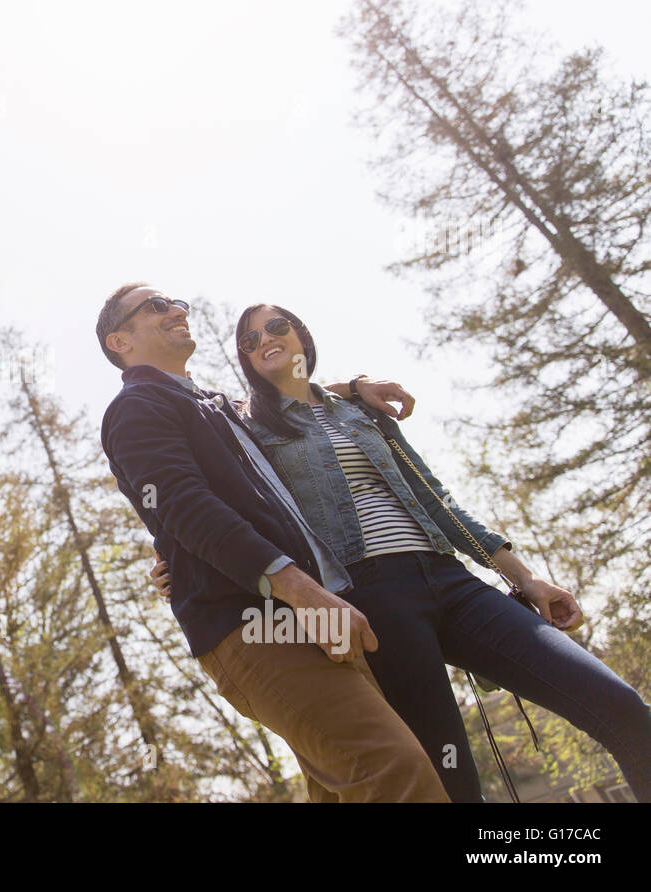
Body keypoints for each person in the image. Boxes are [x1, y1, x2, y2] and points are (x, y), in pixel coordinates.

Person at [154, 301, 651, 802]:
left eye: (275, 327)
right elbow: (212, 496)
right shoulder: (247, 429)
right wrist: (180, 561)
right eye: (250, 340)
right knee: (450, 784)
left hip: (452, 582)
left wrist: (526, 579)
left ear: (301, 334)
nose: (264, 340)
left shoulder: (361, 410)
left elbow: (439, 501)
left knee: (620, 705)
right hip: (369, 601)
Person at [98, 282, 449, 801]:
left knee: (344, 787)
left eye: (176, 302)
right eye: (155, 306)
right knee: (393, 770)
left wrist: (351, 388)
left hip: (310, 614)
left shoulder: (210, 406)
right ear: (118, 341)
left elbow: (281, 398)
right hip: (255, 624)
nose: (175, 309)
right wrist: (303, 592)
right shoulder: (137, 406)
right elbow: (184, 507)